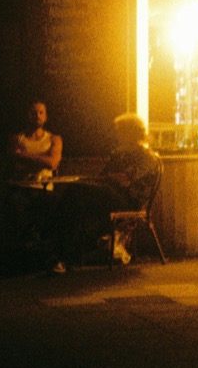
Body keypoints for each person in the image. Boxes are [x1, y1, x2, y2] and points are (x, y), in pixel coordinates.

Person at [48, 113, 161, 271]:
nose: (117, 135)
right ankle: (65, 254)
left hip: (129, 201)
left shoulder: (146, 157)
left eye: (120, 132)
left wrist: (108, 178)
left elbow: (124, 180)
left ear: (131, 133)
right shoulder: (120, 153)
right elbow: (106, 177)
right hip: (113, 194)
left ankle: (61, 251)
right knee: (76, 199)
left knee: (76, 194)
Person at [11, 100, 62, 183]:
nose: (37, 116)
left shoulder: (54, 139)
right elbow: (14, 163)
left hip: (45, 188)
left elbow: (52, 164)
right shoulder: (17, 139)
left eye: (41, 112)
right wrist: (44, 160)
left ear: (45, 117)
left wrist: (23, 156)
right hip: (22, 187)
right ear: (28, 116)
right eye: (33, 113)